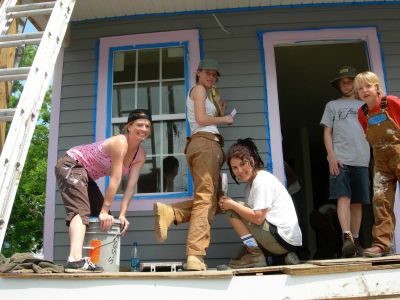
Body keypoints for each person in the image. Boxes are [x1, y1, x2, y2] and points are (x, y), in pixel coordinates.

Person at [153, 58, 234, 271]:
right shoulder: (198, 89)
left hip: (205, 145)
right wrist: (224, 119)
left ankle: (172, 212)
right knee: (206, 199)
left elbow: (204, 117)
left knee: (213, 201)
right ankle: (195, 255)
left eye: (215, 75)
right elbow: (200, 119)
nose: (211, 77)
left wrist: (218, 110)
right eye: (208, 72)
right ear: (198, 72)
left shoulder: (205, 94)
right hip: (205, 145)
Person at [55, 109, 152, 272]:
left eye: (147, 126)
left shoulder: (140, 154)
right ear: (129, 126)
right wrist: (104, 211)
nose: (144, 129)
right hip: (72, 163)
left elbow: (130, 187)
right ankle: (75, 259)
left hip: (86, 175)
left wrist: (122, 214)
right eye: (139, 125)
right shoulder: (120, 142)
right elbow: (115, 178)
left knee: (104, 217)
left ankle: (91, 258)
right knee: (82, 210)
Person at [218, 138, 302, 268]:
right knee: (237, 255)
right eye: (234, 167)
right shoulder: (250, 186)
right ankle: (281, 257)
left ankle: (255, 255)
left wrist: (232, 204)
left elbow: (257, 218)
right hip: (283, 241)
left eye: (242, 164)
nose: (239, 171)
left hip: (283, 239)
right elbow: (252, 219)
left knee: (232, 210)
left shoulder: (261, 180)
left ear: (252, 161)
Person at [320, 66, 370, 258]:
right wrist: (331, 156)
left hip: (362, 159)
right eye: (343, 81)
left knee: (357, 202)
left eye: (350, 81)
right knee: (343, 197)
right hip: (340, 160)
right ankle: (346, 237)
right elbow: (327, 132)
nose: (347, 84)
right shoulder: (332, 105)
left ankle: (355, 240)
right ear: (339, 85)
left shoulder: (365, 105)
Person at [356, 71, 400, 258]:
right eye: (359, 88)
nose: (364, 90)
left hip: (398, 151)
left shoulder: (390, 102)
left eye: (367, 86)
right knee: (380, 201)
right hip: (381, 160)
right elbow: (369, 136)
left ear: (376, 87)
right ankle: (382, 244)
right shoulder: (362, 113)